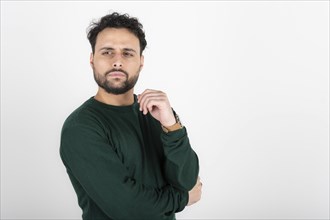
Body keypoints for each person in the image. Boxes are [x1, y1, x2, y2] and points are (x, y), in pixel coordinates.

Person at [60, 12, 202, 220]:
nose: (117, 61)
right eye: (107, 52)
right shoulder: (81, 127)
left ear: (141, 62)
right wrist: (182, 199)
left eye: (127, 53)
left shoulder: (157, 113)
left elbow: (187, 180)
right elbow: (128, 208)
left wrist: (171, 125)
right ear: (92, 60)